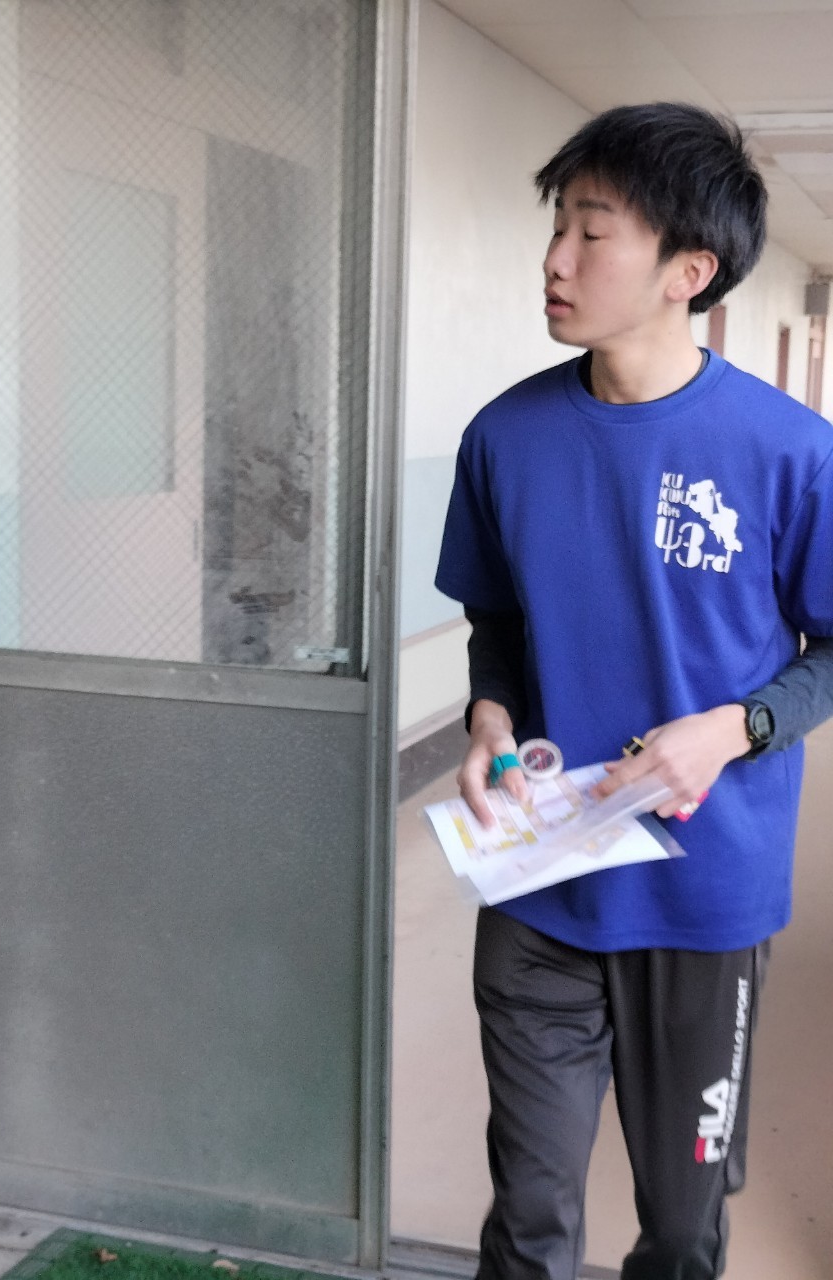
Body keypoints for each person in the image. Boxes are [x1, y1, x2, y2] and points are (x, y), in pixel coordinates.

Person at [434, 102, 833, 1280]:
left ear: (687, 271)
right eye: (557, 225)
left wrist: (738, 728)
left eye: (592, 231)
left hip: (705, 896)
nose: (556, 259)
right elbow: (498, 626)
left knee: (680, 1233)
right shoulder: (504, 437)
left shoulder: (790, 451)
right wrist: (491, 718)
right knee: (530, 1219)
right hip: (540, 882)